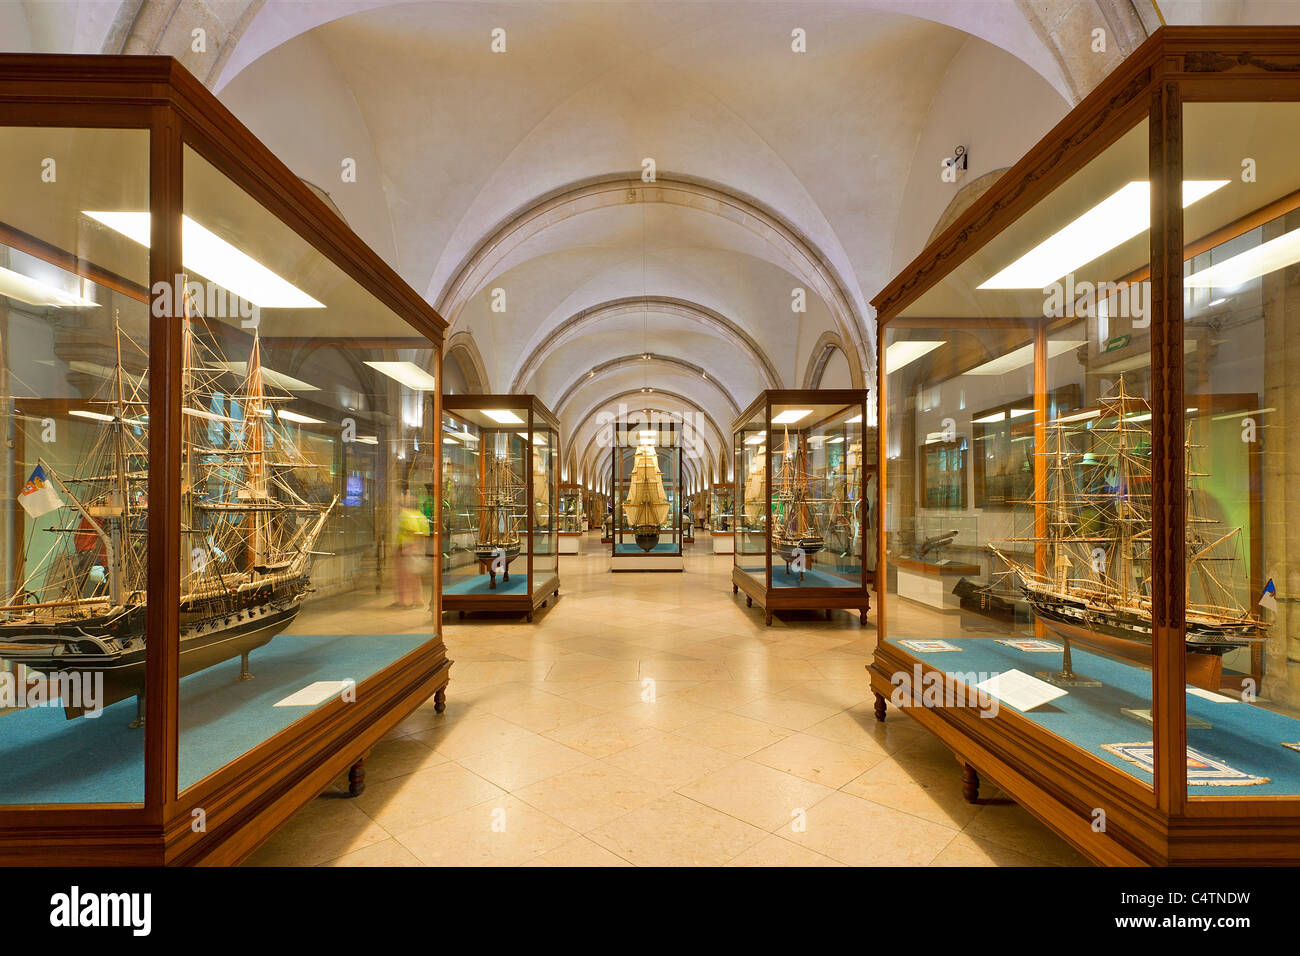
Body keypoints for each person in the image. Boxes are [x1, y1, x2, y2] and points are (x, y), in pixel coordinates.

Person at [392, 490, 426, 608]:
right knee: (404, 577)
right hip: (404, 549)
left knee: (411, 577)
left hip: (407, 549)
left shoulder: (406, 515)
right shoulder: (403, 515)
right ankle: (404, 601)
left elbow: (414, 532)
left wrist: (409, 548)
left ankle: (416, 600)